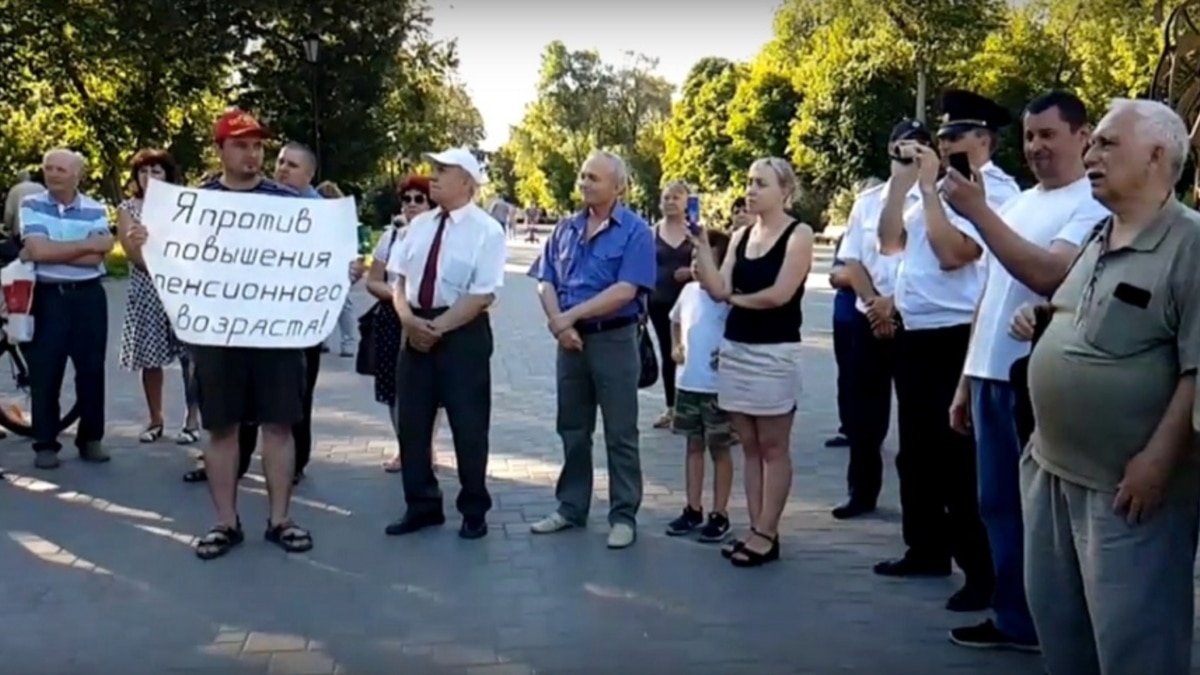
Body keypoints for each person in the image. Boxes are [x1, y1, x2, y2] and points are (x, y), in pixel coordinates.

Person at [1013, 98, 1200, 675]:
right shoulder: (1101, 231)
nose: (1090, 153)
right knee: (1063, 636)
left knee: (1134, 645)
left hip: (1125, 491)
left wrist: (1157, 463)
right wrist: (1046, 323)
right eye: (1091, 144)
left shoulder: (1191, 244)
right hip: (1052, 471)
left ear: (1156, 154)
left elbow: (1197, 369)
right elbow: (1096, 318)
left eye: (1107, 144)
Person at [941, 91, 1107, 651]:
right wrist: (966, 378)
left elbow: (1049, 275)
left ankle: (1050, 625)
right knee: (997, 504)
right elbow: (989, 295)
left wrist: (977, 212)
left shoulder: (1090, 202)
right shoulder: (1019, 204)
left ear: (1082, 137)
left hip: (1035, 377)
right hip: (990, 373)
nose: (1036, 147)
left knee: (1039, 514)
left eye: (1049, 135)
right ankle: (1015, 617)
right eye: (1030, 136)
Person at [131, 108, 313, 559]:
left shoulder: (288, 203)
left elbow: (315, 260)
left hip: (275, 334)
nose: (252, 155)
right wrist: (141, 246)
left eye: (257, 147)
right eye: (241, 145)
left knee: (279, 427)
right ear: (221, 150)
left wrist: (341, 269)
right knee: (222, 429)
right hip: (216, 337)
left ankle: (280, 519)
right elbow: (158, 264)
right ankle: (225, 523)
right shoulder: (192, 203)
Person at [873, 90, 1020, 611]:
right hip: (916, 331)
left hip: (959, 333)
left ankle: (981, 572)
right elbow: (890, 244)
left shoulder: (995, 191)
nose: (944, 144)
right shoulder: (924, 188)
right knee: (915, 452)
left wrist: (935, 194)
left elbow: (954, 253)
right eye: (941, 136)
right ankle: (926, 546)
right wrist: (899, 186)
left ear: (984, 138)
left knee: (959, 459)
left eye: (956, 135)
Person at [527, 150, 656, 550]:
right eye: (583, 176)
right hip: (570, 343)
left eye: (594, 178)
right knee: (573, 428)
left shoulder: (635, 231)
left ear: (617, 186)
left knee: (620, 432)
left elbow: (626, 289)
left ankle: (623, 515)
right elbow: (544, 279)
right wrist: (558, 323)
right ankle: (570, 506)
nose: (584, 183)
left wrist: (570, 316)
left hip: (614, 339)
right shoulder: (565, 228)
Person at [692, 157, 813, 567]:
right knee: (749, 446)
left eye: (761, 183)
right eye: (749, 182)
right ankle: (756, 526)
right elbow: (717, 288)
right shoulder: (741, 236)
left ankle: (768, 531)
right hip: (737, 350)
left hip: (775, 351)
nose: (751, 189)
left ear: (785, 191)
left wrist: (735, 300)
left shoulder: (800, 234)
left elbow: (779, 294)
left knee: (774, 446)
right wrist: (701, 251)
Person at [384, 147, 506, 540]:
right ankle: (421, 505)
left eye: (442, 170)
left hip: (462, 333)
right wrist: (408, 320)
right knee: (413, 423)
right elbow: (398, 281)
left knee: (469, 424)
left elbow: (482, 293)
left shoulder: (487, 230)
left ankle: (474, 508)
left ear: (467, 183)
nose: (432, 176)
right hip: (415, 325)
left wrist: (438, 329)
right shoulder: (417, 226)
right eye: (433, 168)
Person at [833, 137, 919, 520]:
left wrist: (893, 305)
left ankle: (921, 506)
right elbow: (852, 258)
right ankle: (861, 492)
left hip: (914, 318)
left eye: (918, 147)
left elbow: (926, 264)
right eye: (902, 147)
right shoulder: (868, 202)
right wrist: (873, 305)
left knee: (917, 420)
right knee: (864, 416)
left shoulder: (937, 199)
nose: (908, 156)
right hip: (870, 317)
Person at [20, 149, 113, 470]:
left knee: (91, 370)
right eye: (49, 168)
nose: (53, 174)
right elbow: (36, 250)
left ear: (77, 175)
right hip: (47, 297)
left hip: (88, 297)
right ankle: (45, 443)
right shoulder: (31, 205)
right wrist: (84, 245)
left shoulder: (95, 208)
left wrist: (55, 251)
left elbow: (98, 256)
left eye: (61, 169)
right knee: (45, 371)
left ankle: (91, 439)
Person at [116, 148, 198, 445]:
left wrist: (156, 245)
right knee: (151, 359)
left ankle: (192, 420)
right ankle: (155, 419)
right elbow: (135, 255)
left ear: (168, 175)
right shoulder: (129, 207)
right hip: (147, 289)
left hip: (182, 288)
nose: (149, 177)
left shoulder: (183, 206)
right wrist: (154, 248)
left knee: (192, 356)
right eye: (143, 171)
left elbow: (195, 249)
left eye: (156, 171)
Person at [664, 230, 735, 542]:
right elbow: (675, 320)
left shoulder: (728, 297)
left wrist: (729, 354)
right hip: (688, 383)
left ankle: (719, 513)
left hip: (717, 387)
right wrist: (675, 345)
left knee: (719, 449)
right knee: (693, 446)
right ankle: (692, 507)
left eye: (703, 258)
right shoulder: (689, 291)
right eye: (693, 258)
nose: (695, 264)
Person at [374, 175, 442, 474]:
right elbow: (373, 281)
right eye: (407, 198)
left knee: (430, 389)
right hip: (393, 318)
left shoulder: (440, 234)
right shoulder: (390, 236)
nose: (412, 204)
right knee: (394, 389)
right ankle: (404, 449)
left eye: (419, 198)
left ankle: (426, 448)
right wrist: (398, 297)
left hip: (429, 316)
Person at [827, 177, 884, 450]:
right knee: (847, 373)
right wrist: (863, 278)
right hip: (848, 313)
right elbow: (836, 275)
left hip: (877, 312)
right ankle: (848, 427)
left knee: (874, 379)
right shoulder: (848, 236)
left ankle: (870, 431)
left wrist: (863, 276)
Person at [648, 180, 695, 429]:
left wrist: (691, 271)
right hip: (659, 302)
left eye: (676, 197)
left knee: (693, 351)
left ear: (687, 201)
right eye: (666, 197)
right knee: (669, 352)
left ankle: (696, 407)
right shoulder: (651, 233)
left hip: (691, 305)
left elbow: (711, 264)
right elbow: (641, 270)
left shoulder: (696, 232)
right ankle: (672, 408)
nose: (670, 202)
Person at [4, 169, 43, 238]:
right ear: (29, 177)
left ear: (18, 179)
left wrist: (8, 226)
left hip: (21, 230)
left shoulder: (14, 190)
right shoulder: (40, 188)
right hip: (41, 229)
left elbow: (9, 213)